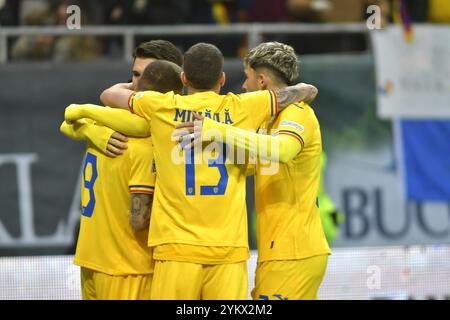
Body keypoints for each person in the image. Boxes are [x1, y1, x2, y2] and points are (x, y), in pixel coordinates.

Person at [64, 42, 318, 300]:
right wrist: (299, 90)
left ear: (184, 78)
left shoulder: (161, 107)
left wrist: (81, 114)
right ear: (222, 79)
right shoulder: (244, 107)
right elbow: (305, 91)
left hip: (175, 249)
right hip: (227, 250)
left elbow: (109, 96)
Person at [174, 42, 331, 300]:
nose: (244, 86)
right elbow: (244, 164)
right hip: (276, 250)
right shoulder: (266, 122)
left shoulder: (298, 113)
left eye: (247, 78)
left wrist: (218, 130)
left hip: (295, 249)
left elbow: (283, 151)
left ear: (261, 80)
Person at [61, 64, 183, 299]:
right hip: (128, 266)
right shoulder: (146, 145)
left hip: (91, 258)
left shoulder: (101, 126)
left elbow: (66, 122)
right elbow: (139, 220)